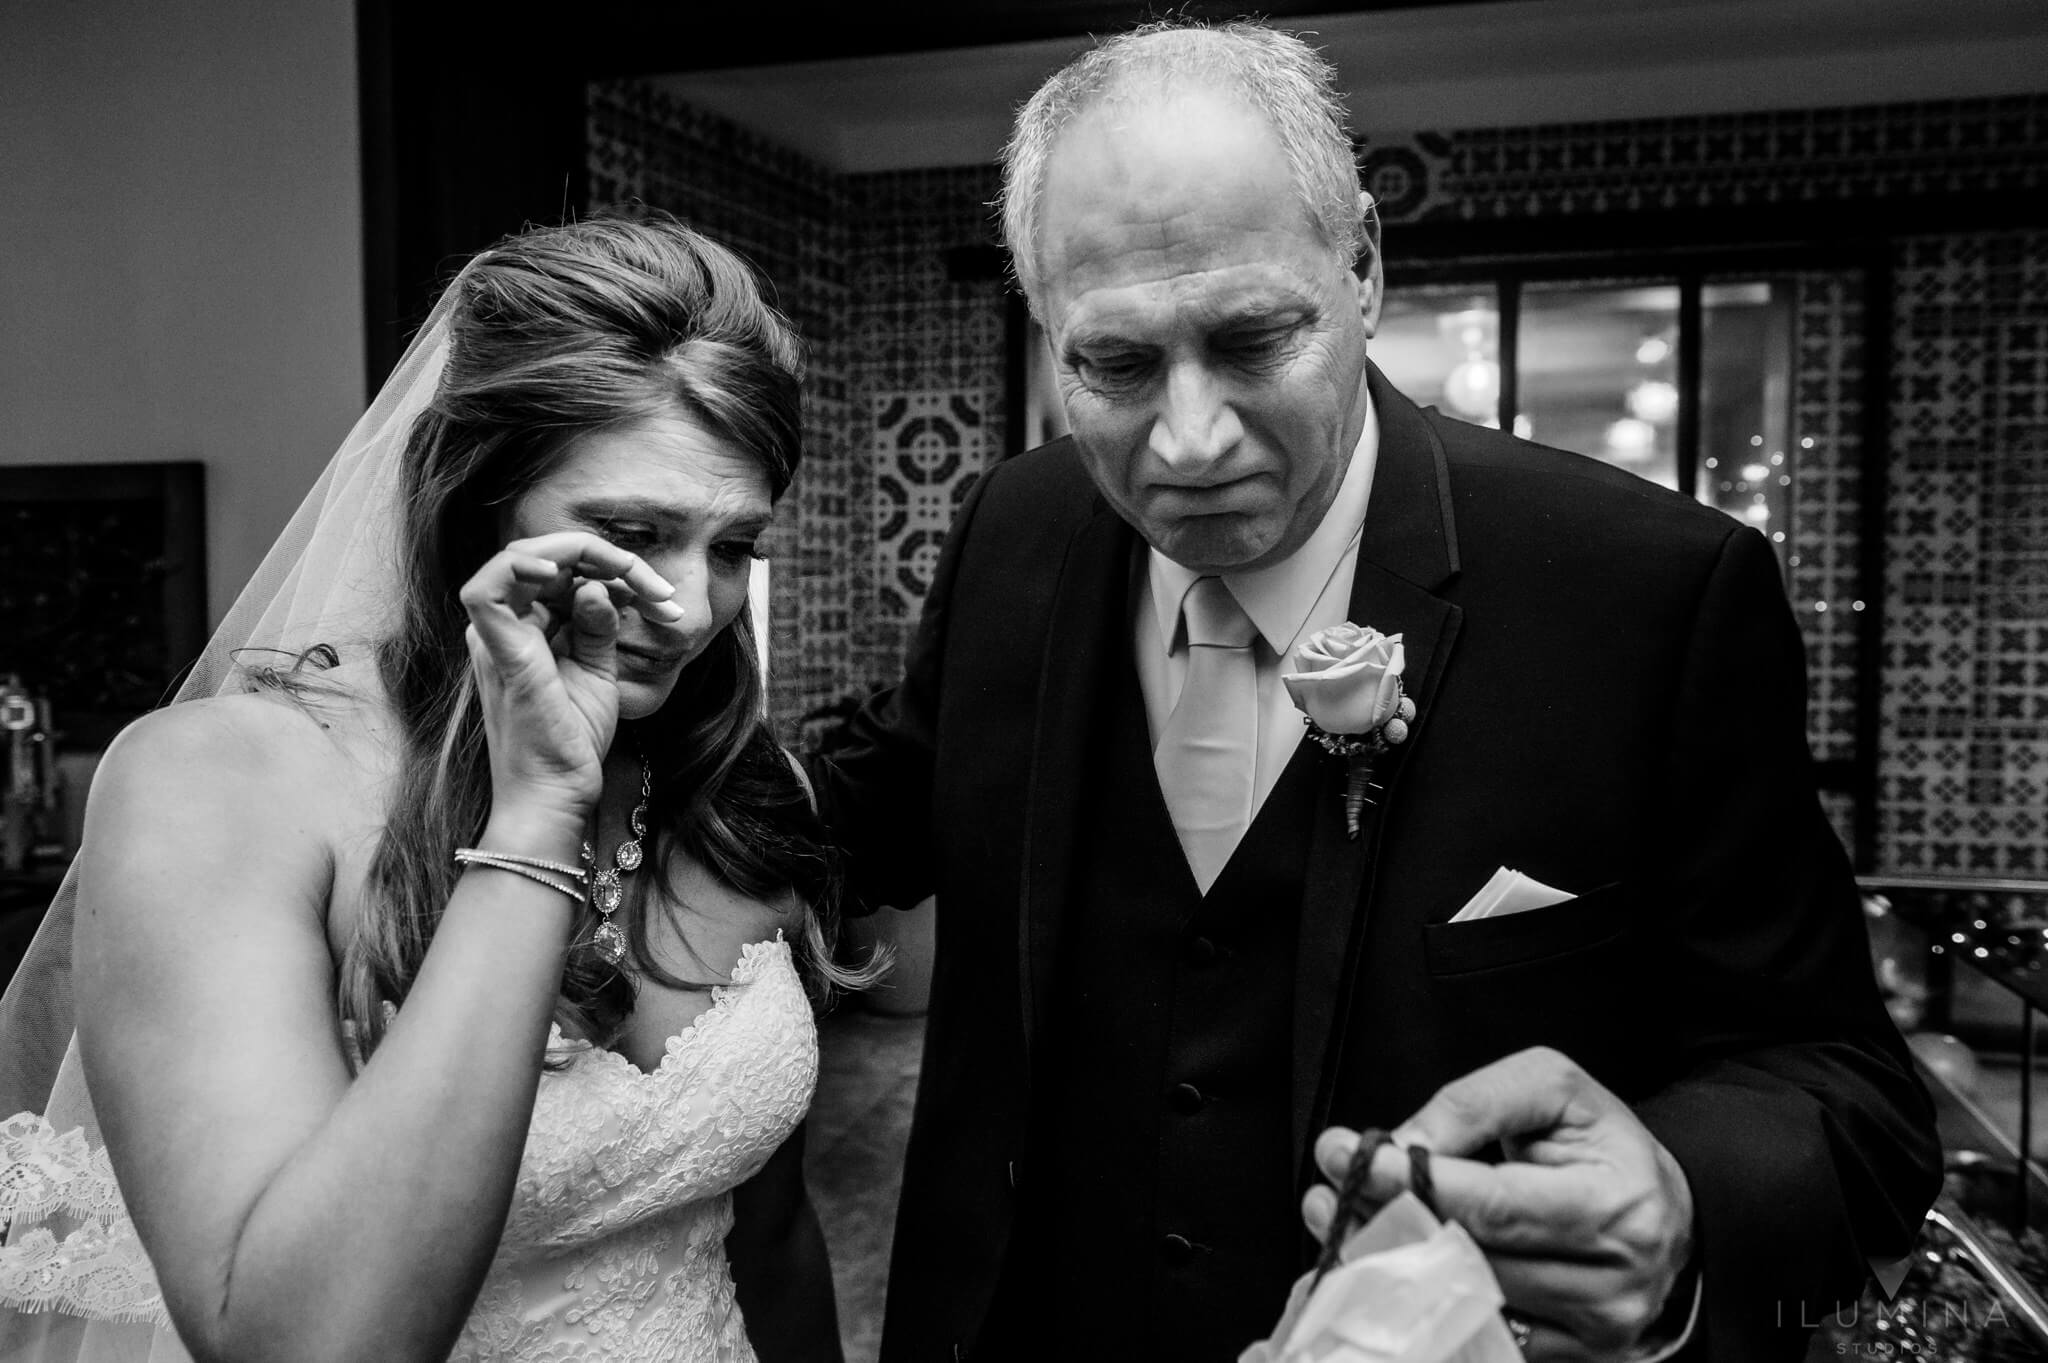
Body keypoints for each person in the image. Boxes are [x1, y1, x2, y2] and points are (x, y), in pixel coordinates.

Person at [817, 20, 1943, 1363]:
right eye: (1112, 364)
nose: (1187, 439)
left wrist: (1681, 1187)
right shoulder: (1017, 526)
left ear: (1362, 264)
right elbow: (889, 787)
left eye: (1251, 340)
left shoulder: (1649, 591)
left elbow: (1848, 1095)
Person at [0, 212, 862, 1363]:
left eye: (731, 547)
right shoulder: (218, 784)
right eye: (629, 533)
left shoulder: (732, 781)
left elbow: (767, 1237)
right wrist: (538, 811)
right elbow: (302, 1346)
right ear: (474, 504)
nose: (693, 606)